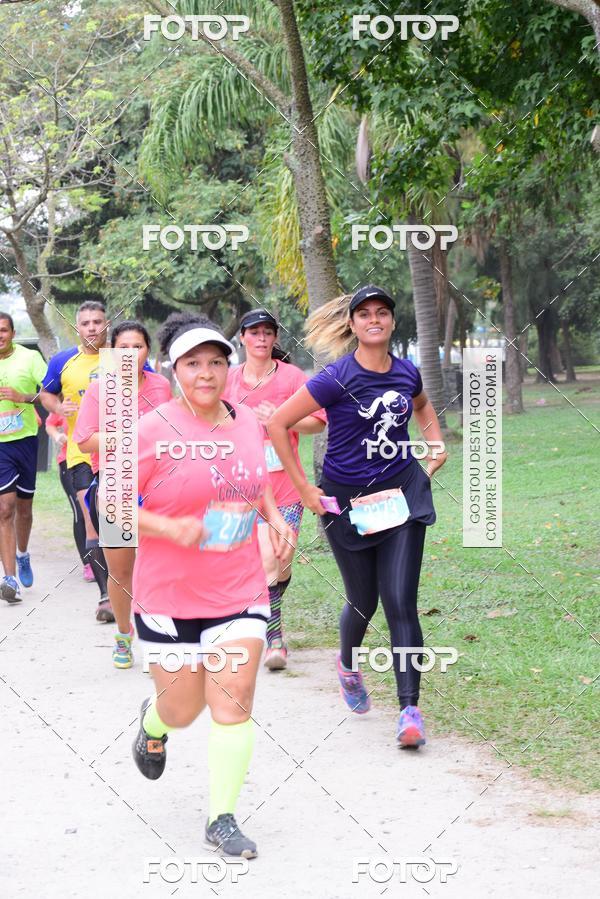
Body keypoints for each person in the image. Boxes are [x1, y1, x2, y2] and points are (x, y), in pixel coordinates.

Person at [130, 311, 294, 857]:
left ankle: (221, 817)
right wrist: (168, 525)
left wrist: (272, 516)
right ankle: (154, 723)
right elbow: (109, 508)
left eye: (216, 362)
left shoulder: (246, 421)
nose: (207, 373)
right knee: (184, 708)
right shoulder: (151, 430)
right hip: (168, 595)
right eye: (193, 363)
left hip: (238, 587)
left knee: (233, 698)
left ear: (229, 367)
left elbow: (257, 482)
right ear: (174, 370)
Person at [267, 285, 448, 748]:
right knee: (363, 601)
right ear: (353, 324)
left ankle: (410, 710)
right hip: (347, 503)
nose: (374, 319)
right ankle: (348, 664)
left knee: (401, 601)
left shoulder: (407, 372)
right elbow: (277, 423)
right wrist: (306, 488)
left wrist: (434, 440)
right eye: (364, 313)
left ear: (391, 321)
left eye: (382, 313)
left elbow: (423, 406)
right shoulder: (335, 378)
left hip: (402, 494)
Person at [224, 309, 326, 670]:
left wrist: (281, 419)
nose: (261, 339)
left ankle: (270, 601)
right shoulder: (229, 380)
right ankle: (275, 638)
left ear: (275, 338)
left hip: (286, 485)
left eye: (268, 332)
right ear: (243, 338)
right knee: (265, 558)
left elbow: (317, 423)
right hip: (241, 486)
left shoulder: (293, 377)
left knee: (281, 561)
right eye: (254, 333)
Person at [74, 320, 172, 668]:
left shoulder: (161, 387)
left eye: (138, 347)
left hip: (158, 487)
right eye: (123, 348)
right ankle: (123, 633)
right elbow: (84, 439)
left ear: (148, 351)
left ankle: (155, 639)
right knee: (121, 570)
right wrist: (128, 438)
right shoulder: (101, 389)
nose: (131, 354)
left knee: (157, 567)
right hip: (116, 486)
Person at [40, 301, 112, 620]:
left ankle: (127, 584)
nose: (92, 328)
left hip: (119, 451)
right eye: (86, 323)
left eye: (98, 321)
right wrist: (58, 409)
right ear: (77, 328)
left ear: (107, 324)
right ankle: (106, 594)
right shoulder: (62, 361)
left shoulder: (123, 357)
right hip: (81, 453)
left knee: (122, 522)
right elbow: (45, 395)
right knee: (92, 518)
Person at [0, 313, 47, 602]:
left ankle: (23, 553)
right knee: (5, 508)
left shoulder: (29, 359)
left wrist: (22, 397)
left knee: (24, 509)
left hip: (25, 440)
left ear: (12, 333)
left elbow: (48, 393)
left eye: (3, 330)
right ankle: (9, 578)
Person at [45, 412, 94, 582]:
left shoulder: (102, 397)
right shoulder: (68, 401)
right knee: (81, 512)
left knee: (97, 512)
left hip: (97, 460)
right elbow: (49, 423)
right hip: (69, 462)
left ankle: (107, 560)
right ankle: (88, 563)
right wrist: (58, 435)